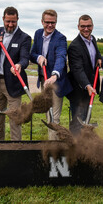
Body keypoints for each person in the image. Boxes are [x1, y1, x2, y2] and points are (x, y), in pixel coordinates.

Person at [0, 6, 31, 141]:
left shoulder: (24, 38)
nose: (10, 25)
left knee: (15, 119)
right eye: (8, 21)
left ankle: (15, 148)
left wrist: (19, 65)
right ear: (3, 19)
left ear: (17, 20)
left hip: (13, 83)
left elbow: (24, 58)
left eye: (13, 21)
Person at [29, 9, 72, 140]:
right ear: (42, 22)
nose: (50, 25)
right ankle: (54, 143)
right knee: (48, 114)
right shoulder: (37, 34)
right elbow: (32, 54)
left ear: (56, 22)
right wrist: (39, 57)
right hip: (44, 81)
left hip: (56, 83)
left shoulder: (60, 38)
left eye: (53, 23)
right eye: (47, 22)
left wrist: (55, 75)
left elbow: (61, 57)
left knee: (54, 117)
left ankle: (54, 150)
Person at [67, 14, 102, 135]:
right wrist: (87, 85)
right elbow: (77, 69)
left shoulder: (93, 39)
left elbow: (95, 54)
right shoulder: (74, 47)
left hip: (90, 89)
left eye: (88, 26)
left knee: (86, 119)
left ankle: (85, 146)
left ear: (92, 26)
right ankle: (75, 148)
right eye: (83, 26)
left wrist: (99, 58)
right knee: (78, 121)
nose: (86, 29)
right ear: (78, 27)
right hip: (79, 90)